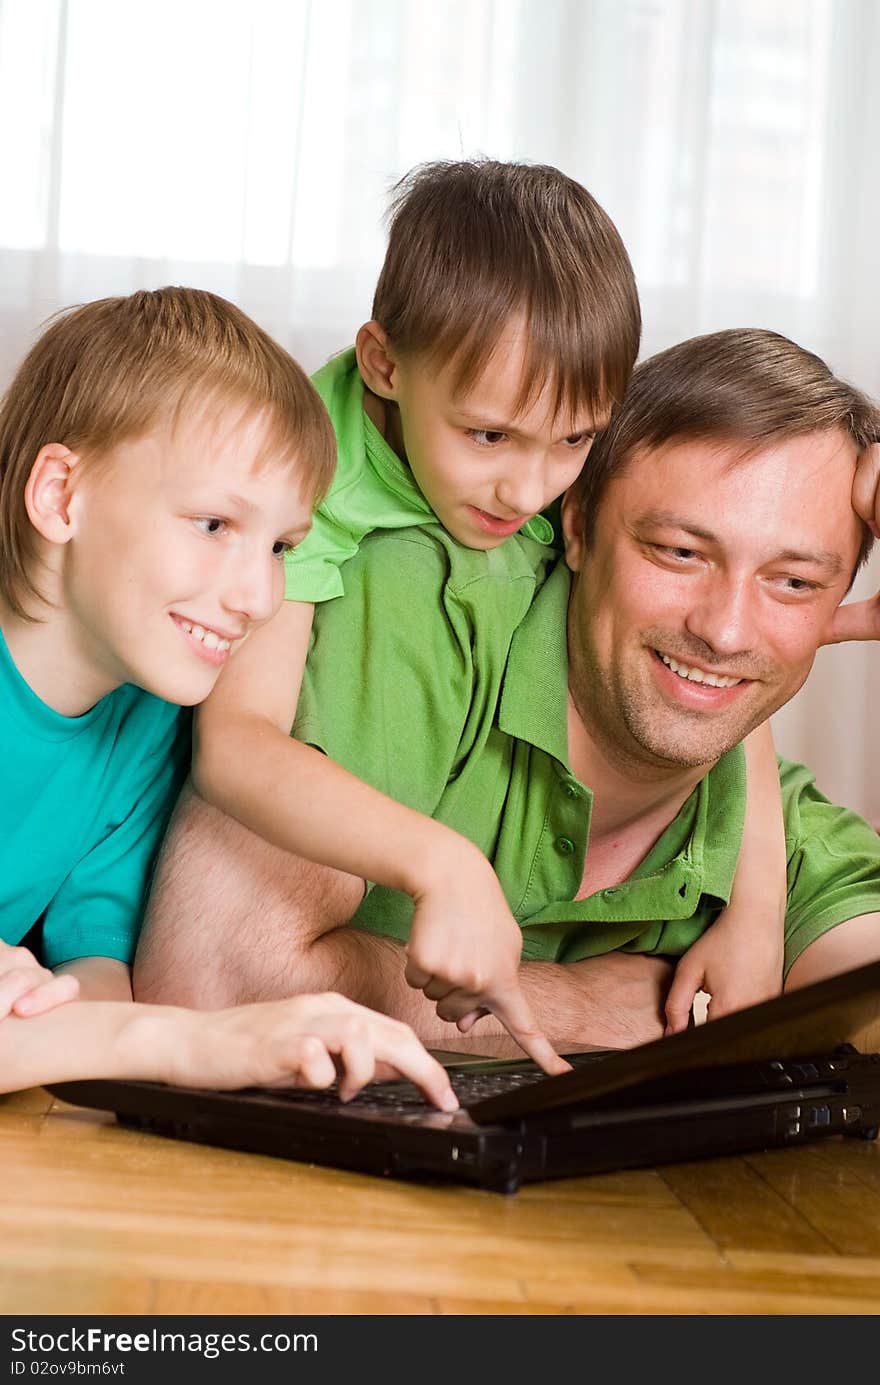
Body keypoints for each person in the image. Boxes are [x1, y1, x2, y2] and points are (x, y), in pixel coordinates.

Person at [187, 159, 789, 1059]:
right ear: (384, 364)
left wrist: (758, 913)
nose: (530, 485)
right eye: (487, 436)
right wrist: (442, 863)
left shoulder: (540, 444)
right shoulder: (305, 474)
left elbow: (722, 646)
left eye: (575, 440)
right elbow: (235, 745)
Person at [135, 326, 880, 1050]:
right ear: (576, 527)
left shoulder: (782, 845)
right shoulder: (421, 611)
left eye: (793, 582)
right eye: (680, 552)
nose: (726, 630)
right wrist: (591, 1009)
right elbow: (212, 979)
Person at [0, 285, 456, 1110]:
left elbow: (98, 975)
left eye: (281, 544)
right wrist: (199, 1042)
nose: (258, 594)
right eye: (213, 524)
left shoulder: (145, 723)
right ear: (61, 496)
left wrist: (56, 1021)